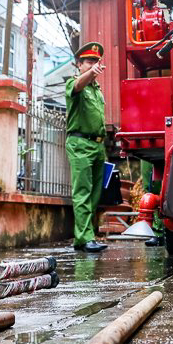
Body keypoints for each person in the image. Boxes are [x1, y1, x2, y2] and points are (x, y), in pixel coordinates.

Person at [66, 42, 110, 253]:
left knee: (94, 194)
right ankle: (84, 238)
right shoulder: (75, 84)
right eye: (89, 61)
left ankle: (85, 237)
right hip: (80, 144)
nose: (93, 64)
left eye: (96, 61)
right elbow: (77, 86)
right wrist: (90, 74)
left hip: (98, 145)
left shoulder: (97, 90)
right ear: (79, 64)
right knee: (82, 192)